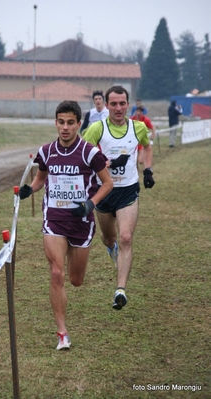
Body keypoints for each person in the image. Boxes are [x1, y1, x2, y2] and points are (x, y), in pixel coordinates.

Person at [19, 100, 113, 350]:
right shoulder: (47, 151)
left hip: (81, 223)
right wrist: (31, 189)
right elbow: (40, 179)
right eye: (61, 122)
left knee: (76, 279)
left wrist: (90, 205)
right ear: (56, 123)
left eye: (70, 122)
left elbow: (107, 184)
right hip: (54, 220)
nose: (65, 127)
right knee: (56, 273)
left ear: (79, 124)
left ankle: (66, 316)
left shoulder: (89, 152)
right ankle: (62, 333)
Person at [83, 86, 155, 311]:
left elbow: (146, 146)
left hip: (128, 191)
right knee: (109, 239)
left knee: (125, 238)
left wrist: (148, 170)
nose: (118, 108)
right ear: (106, 105)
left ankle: (120, 290)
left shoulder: (138, 127)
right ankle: (110, 248)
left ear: (128, 104)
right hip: (104, 192)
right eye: (113, 104)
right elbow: (83, 154)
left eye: (122, 103)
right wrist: (102, 164)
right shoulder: (97, 128)